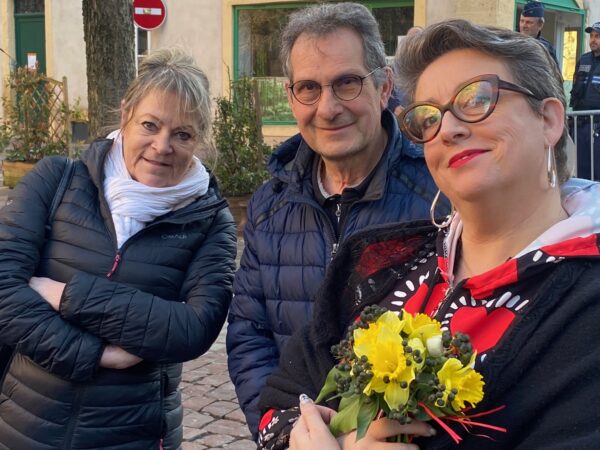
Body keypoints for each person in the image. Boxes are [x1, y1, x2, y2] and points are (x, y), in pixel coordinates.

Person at [258, 19, 600, 450]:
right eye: (428, 117)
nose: (449, 129)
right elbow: (279, 405)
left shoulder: (584, 299)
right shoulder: (379, 262)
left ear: (548, 120)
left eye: (477, 99)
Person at [0, 48, 237, 449]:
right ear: (126, 114)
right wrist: (96, 354)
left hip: (134, 433)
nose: (162, 146)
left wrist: (63, 293)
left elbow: (192, 329)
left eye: (182, 134)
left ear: (199, 140)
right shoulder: (56, 181)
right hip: (23, 426)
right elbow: (4, 291)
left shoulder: (210, 221)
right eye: (150, 125)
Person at [226, 2, 442, 439]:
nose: (327, 108)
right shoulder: (271, 204)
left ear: (384, 87)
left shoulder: (440, 195)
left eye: (347, 83)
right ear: (291, 97)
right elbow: (250, 334)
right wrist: (284, 433)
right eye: (308, 87)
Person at [569, 21, 600, 180]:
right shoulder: (584, 59)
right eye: (591, 36)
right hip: (580, 123)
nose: (593, 40)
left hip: (598, 124)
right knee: (582, 168)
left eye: (597, 36)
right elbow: (575, 88)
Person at [518, 0, 558, 66]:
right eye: (522, 21)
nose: (523, 26)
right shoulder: (511, 43)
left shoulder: (547, 49)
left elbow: (555, 71)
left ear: (540, 25)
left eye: (529, 22)